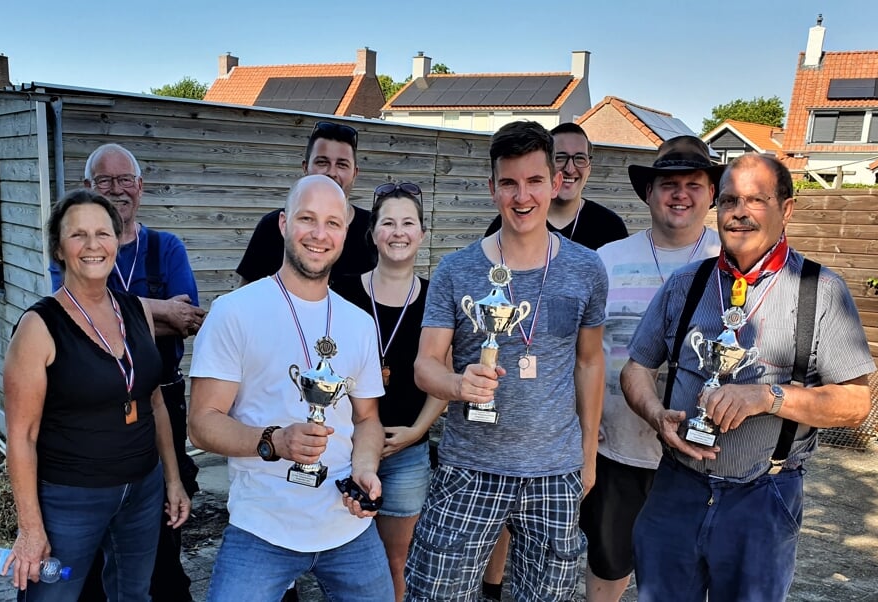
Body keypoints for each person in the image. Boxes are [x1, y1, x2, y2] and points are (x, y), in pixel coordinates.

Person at [621, 153, 874, 601]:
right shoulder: (687, 283)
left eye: (756, 200)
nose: (739, 212)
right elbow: (637, 367)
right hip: (676, 488)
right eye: (730, 199)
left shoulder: (821, 291)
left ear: (787, 209)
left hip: (763, 495)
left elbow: (855, 404)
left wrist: (769, 397)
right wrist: (655, 413)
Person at [406, 121, 607, 601]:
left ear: (555, 183)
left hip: (554, 470)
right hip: (469, 468)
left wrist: (589, 455)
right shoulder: (456, 269)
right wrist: (458, 385)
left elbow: (590, 362)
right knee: (436, 593)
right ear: (492, 187)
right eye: (510, 183)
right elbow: (425, 365)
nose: (523, 196)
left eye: (535, 181)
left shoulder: (586, 268)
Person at [188, 174, 394, 601]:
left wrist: (366, 468)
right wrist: (275, 441)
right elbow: (202, 423)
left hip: (346, 525)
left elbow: (369, 419)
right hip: (262, 527)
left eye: (332, 223)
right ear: (283, 225)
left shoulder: (358, 323)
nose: (319, 235)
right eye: (307, 219)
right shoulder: (234, 312)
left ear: (346, 232)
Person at [3, 189, 191, 601]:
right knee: (51, 597)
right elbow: (22, 436)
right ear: (59, 247)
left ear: (116, 240)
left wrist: (173, 481)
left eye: (103, 233)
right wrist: (31, 529)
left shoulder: (137, 310)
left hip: (142, 490)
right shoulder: (38, 328)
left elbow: (154, 402)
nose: (93, 245)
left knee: (134, 595)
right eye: (79, 235)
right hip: (70, 501)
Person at [49, 143, 206, 602]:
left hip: (160, 398)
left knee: (161, 513)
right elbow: (73, 323)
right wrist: (156, 314)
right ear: (87, 188)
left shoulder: (164, 248)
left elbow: (189, 320)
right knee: (89, 527)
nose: (116, 190)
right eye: (104, 181)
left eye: (124, 181)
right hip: (87, 412)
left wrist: (115, 319)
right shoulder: (74, 256)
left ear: (139, 187)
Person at [480, 121, 628, 599]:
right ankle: (493, 587)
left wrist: (590, 430)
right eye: (560, 157)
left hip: (563, 430)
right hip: (502, 423)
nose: (569, 168)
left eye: (577, 158)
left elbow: (593, 351)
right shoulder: (495, 233)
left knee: (556, 553)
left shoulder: (607, 231)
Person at [579, 135, 724, 602]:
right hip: (617, 447)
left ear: (711, 194)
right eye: (668, 184)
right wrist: (584, 422)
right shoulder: (608, 259)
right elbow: (581, 351)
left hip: (702, 456)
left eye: (693, 184)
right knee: (608, 563)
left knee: (684, 576)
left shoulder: (733, 260)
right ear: (648, 193)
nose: (679, 193)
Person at [331, 182, 447, 601]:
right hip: (344, 444)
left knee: (395, 557)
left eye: (408, 223)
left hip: (405, 451)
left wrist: (417, 432)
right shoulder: (340, 291)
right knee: (341, 559)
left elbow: (444, 377)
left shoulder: (437, 297)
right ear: (373, 233)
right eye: (388, 223)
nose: (398, 232)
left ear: (421, 233)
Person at [236, 120, 377, 285]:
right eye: (322, 162)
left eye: (342, 165)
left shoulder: (374, 230)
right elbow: (245, 295)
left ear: (355, 173)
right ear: (305, 168)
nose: (332, 172)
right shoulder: (272, 226)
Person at [483, 122, 628, 250]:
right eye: (560, 158)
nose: (570, 169)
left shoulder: (611, 226)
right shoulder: (508, 224)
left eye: (580, 158)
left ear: (589, 168)